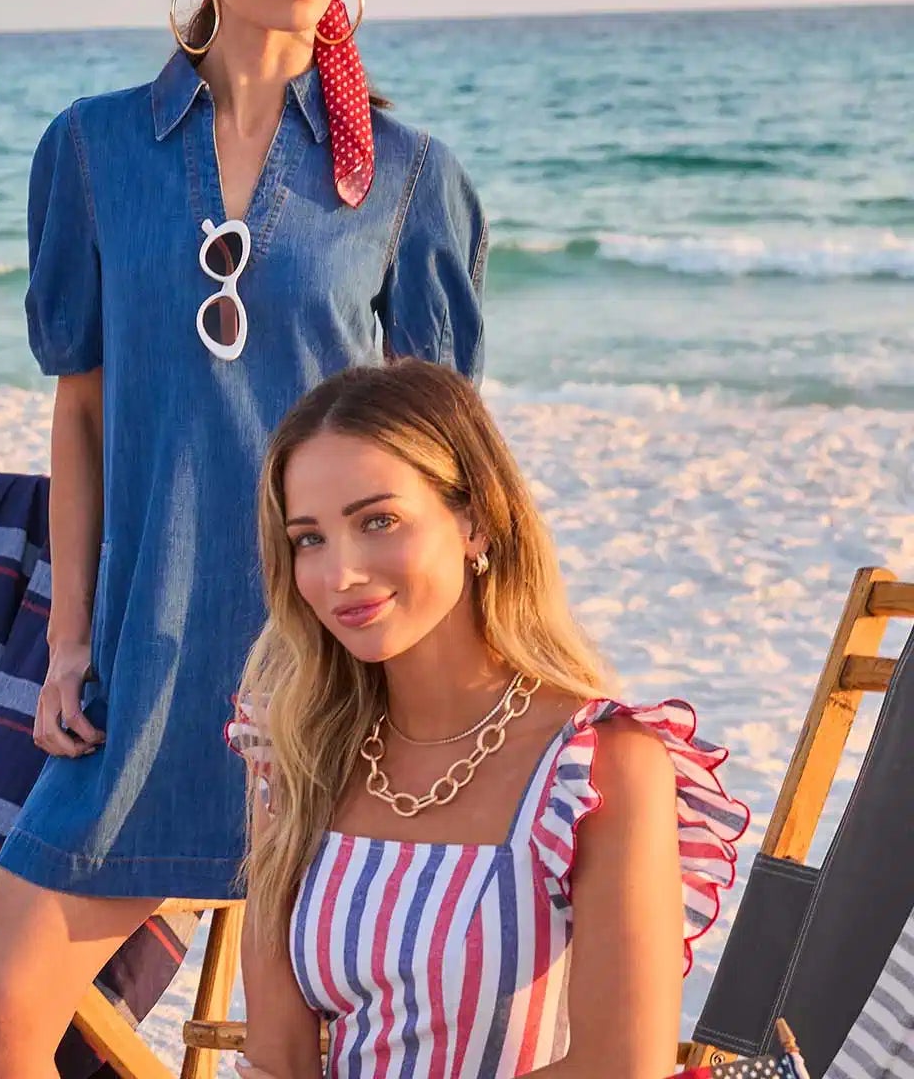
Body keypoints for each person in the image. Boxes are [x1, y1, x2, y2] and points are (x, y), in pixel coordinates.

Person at [0, 0, 491, 1072]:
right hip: (150, 656)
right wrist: (68, 633)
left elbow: (445, 459)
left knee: (296, 1046)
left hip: (334, 662)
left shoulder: (401, 176)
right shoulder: (91, 148)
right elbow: (78, 410)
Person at [226, 358, 745, 1077]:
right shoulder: (298, 751)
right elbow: (276, 1059)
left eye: (378, 521)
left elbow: (621, 1066)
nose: (339, 572)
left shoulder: (597, 766)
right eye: (308, 538)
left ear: (474, 519)